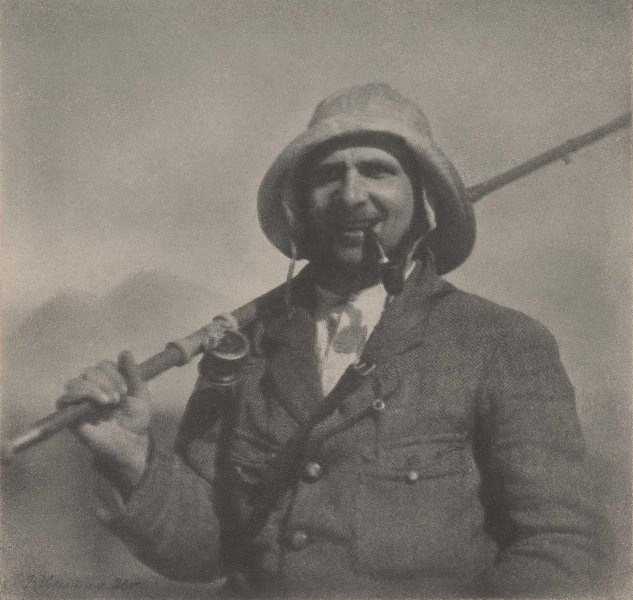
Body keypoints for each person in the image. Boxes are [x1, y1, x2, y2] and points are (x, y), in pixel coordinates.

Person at [60, 83, 604, 598]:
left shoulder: (500, 343)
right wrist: (132, 458)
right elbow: (207, 548)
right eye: (328, 175)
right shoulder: (243, 347)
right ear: (300, 202)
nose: (350, 195)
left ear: (423, 197)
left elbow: (560, 547)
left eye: (377, 171)